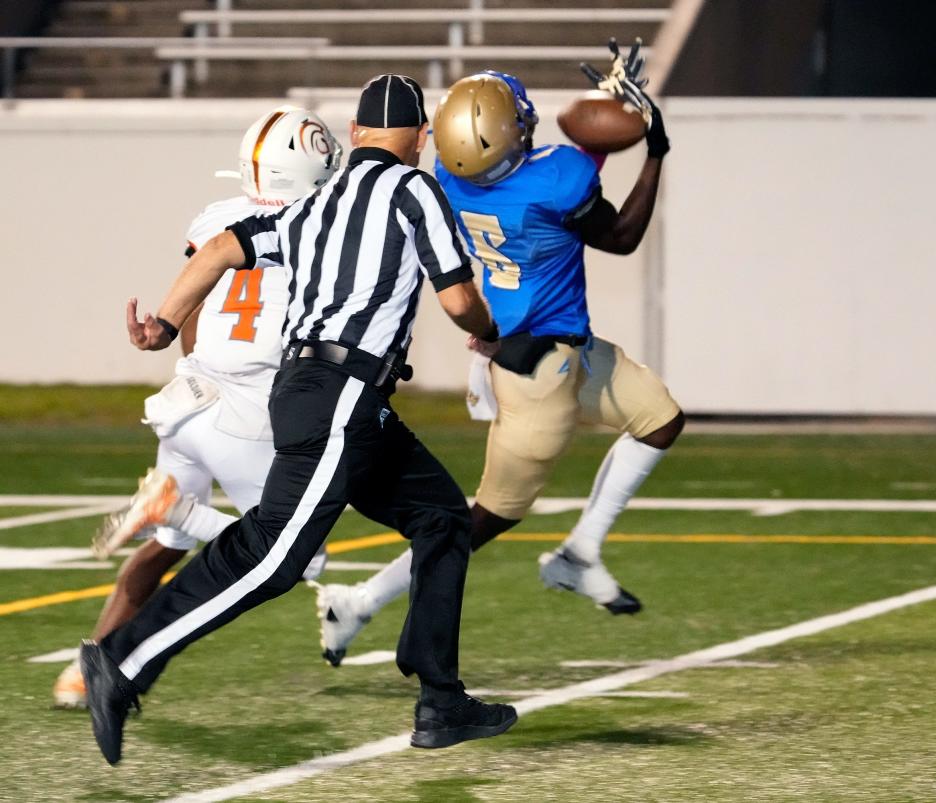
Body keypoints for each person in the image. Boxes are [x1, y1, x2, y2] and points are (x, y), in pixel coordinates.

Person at [79, 74, 517, 766]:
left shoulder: (318, 203)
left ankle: (441, 697)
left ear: (356, 135)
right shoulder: (413, 189)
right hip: (342, 388)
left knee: (441, 517)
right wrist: (490, 330)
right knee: (276, 555)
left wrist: (166, 322)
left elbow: (224, 246)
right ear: (419, 135)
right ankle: (124, 662)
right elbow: (460, 301)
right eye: (425, 134)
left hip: (331, 395)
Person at [316, 40, 684, 666]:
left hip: (552, 349)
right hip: (536, 373)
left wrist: (602, 114)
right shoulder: (555, 178)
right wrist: (654, 150)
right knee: (476, 522)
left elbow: (551, 177)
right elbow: (619, 236)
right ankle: (357, 602)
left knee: (660, 420)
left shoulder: (447, 182)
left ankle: (580, 552)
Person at [53, 105, 342, 709]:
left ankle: (89, 667)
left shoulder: (219, 217)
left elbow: (200, 293)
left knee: (163, 546)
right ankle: (171, 506)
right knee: (304, 557)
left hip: (187, 396)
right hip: (250, 407)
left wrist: (186, 361)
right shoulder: (323, 229)